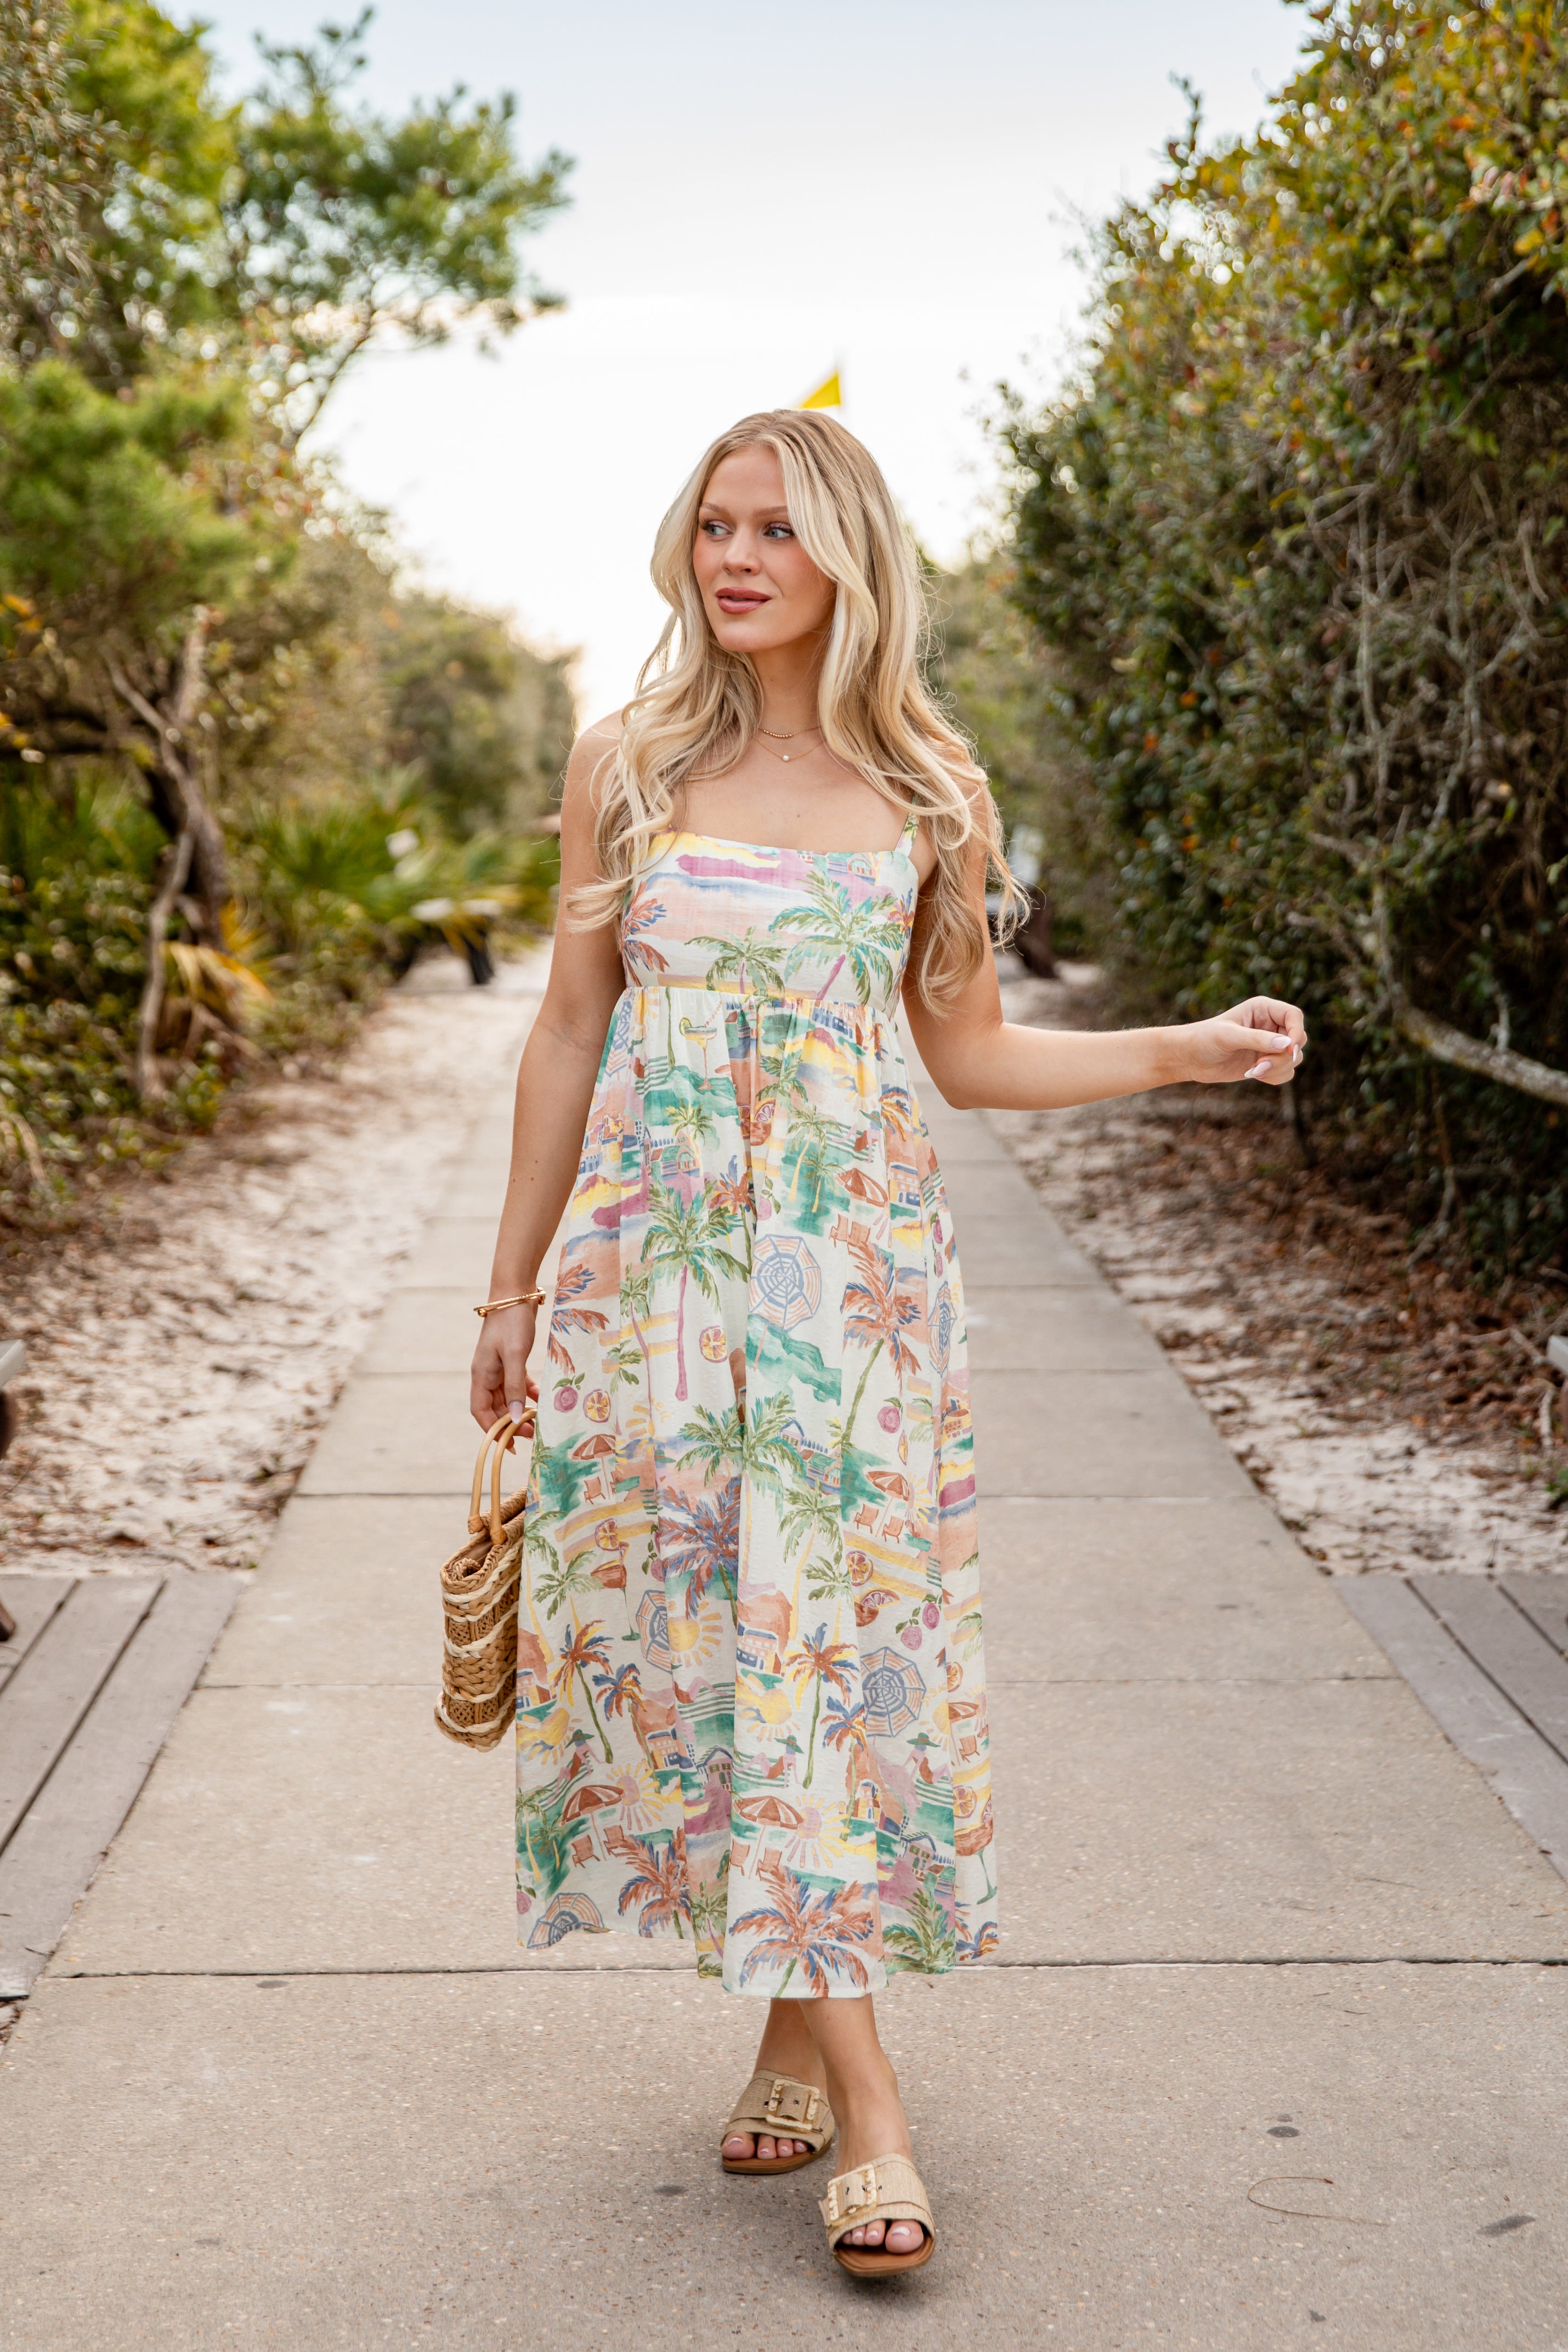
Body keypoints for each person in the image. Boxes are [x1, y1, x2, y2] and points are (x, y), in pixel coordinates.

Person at [470, 410, 1305, 2277]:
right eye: (712, 525)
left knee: (822, 1661)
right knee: (710, 1653)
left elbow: (968, 1051)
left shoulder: (933, 787)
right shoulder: (625, 760)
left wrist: (1177, 1050)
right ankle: (802, 2022)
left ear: (849, 555)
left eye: (773, 528)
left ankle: (863, 2101)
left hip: (851, 1301)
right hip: (660, 1289)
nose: (734, 557)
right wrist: (509, 1290)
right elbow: (563, 1032)